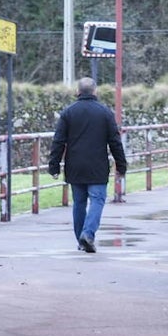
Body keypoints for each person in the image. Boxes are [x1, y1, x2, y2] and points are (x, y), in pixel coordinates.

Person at [48, 77, 127, 253]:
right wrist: (121, 166)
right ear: (95, 91)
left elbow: (58, 141)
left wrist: (54, 166)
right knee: (97, 200)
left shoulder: (68, 113)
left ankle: (81, 239)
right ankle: (88, 234)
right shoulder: (105, 113)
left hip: (74, 166)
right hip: (97, 165)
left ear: (78, 91)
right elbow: (115, 141)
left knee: (79, 203)